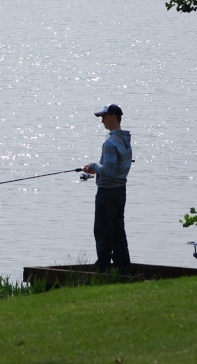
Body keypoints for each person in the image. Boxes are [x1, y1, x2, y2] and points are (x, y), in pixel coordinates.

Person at [81, 103, 132, 274]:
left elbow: (109, 170)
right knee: (118, 230)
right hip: (120, 191)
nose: (102, 120)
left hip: (107, 193)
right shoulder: (125, 140)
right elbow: (116, 168)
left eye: (103, 117)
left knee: (103, 230)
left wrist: (94, 166)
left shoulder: (110, 143)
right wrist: (97, 169)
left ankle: (102, 268)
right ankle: (123, 268)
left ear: (112, 117)